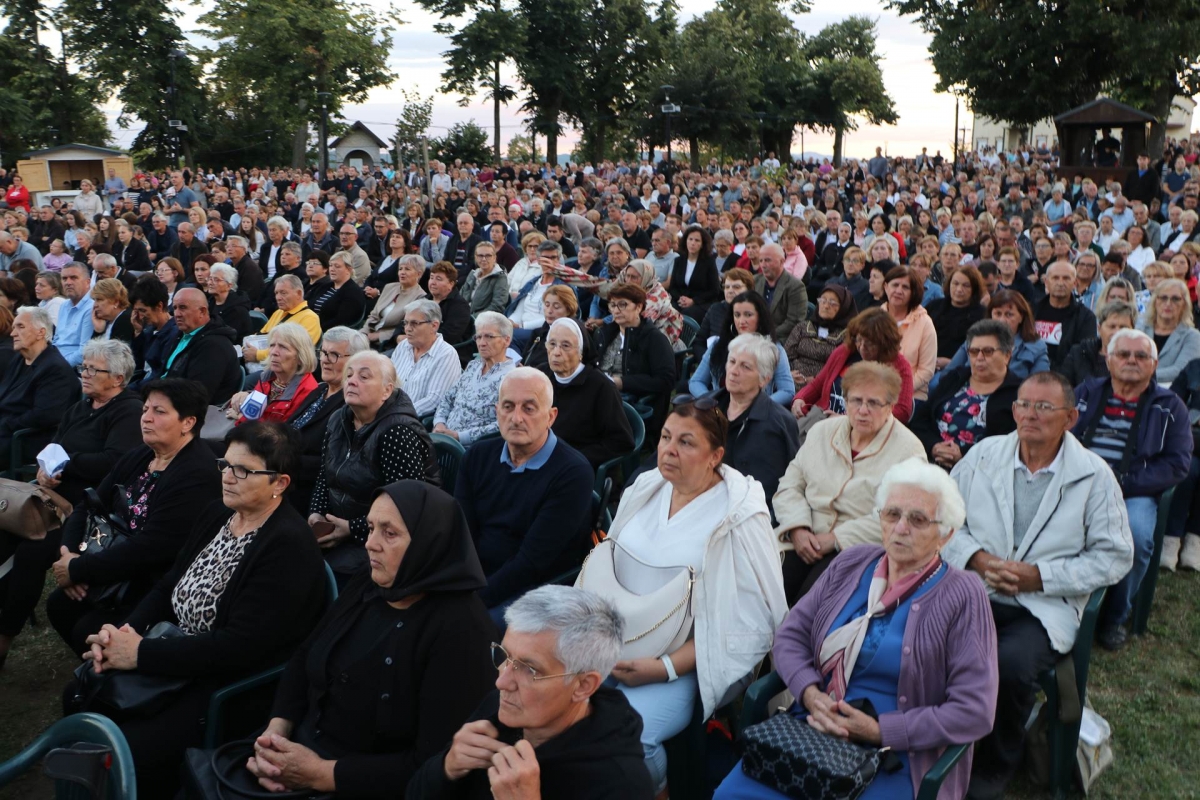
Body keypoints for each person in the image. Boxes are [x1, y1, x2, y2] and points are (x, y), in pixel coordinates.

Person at [69, 422, 327, 796]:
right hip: (173, 650)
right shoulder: (218, 514)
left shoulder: (288, 546)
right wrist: (124, 632)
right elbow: (168, 584)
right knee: (81, 693)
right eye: (225, 465)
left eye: (243, 470)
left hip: (226, 684)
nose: (228, 477)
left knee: (127, 740)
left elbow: (237, 648)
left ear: (280, 484)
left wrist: (140, 653)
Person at [716, 459, 998, 800]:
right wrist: (809, 693)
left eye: (918, 519)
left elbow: (975, 710)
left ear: (946, 534)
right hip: (813, 726)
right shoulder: (853, 562)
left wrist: (881, 731)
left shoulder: (963, 594)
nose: (900, 528)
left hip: (898, 753)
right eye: (892, 514)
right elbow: (791, 635)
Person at [217, 480, 496, 798]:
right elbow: (306, 653)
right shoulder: (372, 581)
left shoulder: (462, 633)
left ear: (429, 543)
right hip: (299, 747)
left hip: (362, 784)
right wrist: (276, 731)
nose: (370, 544)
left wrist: (321, 774)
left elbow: (435, 765)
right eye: (372, 527)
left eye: (389, 533)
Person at [944, 372, 1134, 799]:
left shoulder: (1094, 475)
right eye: (1024, 405)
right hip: (976, 587)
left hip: (1044, 606)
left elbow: (1116, 555)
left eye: (1044, 407)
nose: (1030, 414)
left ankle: (993, 763)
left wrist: (1040, 577)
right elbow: (944, 519)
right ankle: (933, 740)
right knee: (927, 638)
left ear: (1070, 417)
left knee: (1008, 666)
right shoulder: (984, 455)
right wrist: (978, 558)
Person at [584, 395, 787, 792]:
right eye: (664, 437)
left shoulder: (738, 517)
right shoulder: (647, 488)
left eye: (686, 442)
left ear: (716, 456)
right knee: (560, 706)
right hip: (614, 642)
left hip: (688, 661)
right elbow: (610, 571)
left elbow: (749, 620)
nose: (669, 450)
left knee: (630, 737)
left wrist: (664, 668)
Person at [405, 585, 655, 800]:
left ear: (583, 686)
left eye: (529, 669)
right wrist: (446, 768)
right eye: (504, 656)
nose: (502, 682)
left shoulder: (623, 785)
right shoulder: (499, 709)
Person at [46, 378, 221, 655]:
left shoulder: (196, 474)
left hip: (151, 584)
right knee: (59, 605)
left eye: (159, 412)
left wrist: (79, 570)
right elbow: (88, 504)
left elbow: (152, 548)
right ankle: (97, 674)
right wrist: (69, 554)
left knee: (86, 627)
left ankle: (107, 680)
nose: (146, 418)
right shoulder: (141, 454)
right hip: (110, 563)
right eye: (145, 409)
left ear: (188, 423)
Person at [0, 339, 140, 669]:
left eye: (93, 369)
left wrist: (66, 464)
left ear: (118, 379)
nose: (85, 374)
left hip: (89, 510)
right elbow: (53, 447)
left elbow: (113, 462)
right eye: (84, 367)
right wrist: (45, 470)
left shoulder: (128, 411)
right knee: (4, 535)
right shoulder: (81, 406)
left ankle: (4, 637)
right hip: (52, 497)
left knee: (31, 552)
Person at [1071, 329, 1191, 650]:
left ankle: (1113, 616)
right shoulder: (1086, 391)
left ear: (1154, 365)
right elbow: (1060, 435)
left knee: (1136, 538)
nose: (1131, 361)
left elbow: (1178, 463)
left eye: (1141, 356)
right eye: (1123, 355)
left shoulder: (1170, 405)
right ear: (1109, 361)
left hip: (1133, 491)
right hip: (1077, 483)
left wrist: (1123, 483)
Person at [776, 361, 927, 601]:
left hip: (858, 551)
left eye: (874, 403)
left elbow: (900, 517)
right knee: (765, 591)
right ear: (845, 401)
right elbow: (790, 485)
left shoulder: (909, 450)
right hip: (802, 537)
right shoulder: (821, 432)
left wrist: (836, 539)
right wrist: (796, 527)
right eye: (856, 400)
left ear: (890, 406)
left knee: (810, 603)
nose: (863, 410)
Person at [454, 368, 594, 621]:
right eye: (508, 407)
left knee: (461, 629)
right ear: (497, 411)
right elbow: (462, 531)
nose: (516, 418)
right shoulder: (477, 456)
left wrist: (472, 600)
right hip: (476, 575)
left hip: (536, 590)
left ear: (551, 417)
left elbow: (532, 563)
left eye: (529, 409)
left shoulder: (573, 472)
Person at [309, 351, 440, 584]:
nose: (352, 380)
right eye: (349, 375)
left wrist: (351, 528)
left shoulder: (397, 432)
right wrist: (316, 514)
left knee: (317, 576)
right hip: (340, 526)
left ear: (387, 390)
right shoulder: (338, 419)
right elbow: (324, 475)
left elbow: (403, 507)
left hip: (381, 538)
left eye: (364, 376)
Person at [709, 333, 800, 522]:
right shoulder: (704, 410)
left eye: (745, 367)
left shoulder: (779, 423)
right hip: (704, 504)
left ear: (764, 379)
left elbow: (792, 481)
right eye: (732, 361)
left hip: (753, 516)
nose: (733, 371)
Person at [910, 320, 1021, 470]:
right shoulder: (955, 378)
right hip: (931, 459)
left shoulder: (1018, 393)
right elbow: (920, 420)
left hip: (982, 471)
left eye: (988, 351)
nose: (979, 358)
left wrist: (963, 455)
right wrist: (934, 446)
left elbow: (1010, 443)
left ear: (1007, 355)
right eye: (974, 352)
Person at [285, 327, 369, 514]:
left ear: (357, 362)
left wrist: (281, 460)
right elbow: (288, 428)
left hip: (307, 490)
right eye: (323, 352)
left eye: (334, 355)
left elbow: (332, 465)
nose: (324, 360)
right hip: (284, 470)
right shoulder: (319, 390)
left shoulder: (351, 405)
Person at [539, 317, 634, 468]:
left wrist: (573, 459)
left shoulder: (601, 387)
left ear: (581, 352)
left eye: (565, 346)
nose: (556, 352)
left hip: (575, 465)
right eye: (552, 344)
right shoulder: (541, 375)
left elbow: (621, 441)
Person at [793, 307, 915, 423]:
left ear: (884, 344)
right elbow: (818, 384)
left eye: (869, 344)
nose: (862, 347)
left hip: (867, 431)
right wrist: (800, 398)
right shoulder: (844, 352)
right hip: (825, 420)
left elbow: (902, 412)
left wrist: (848, 419)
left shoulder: (900, 366)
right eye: (859, 340)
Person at [0, 306, 80, 464]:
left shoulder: (54, 368)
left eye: (20, 327)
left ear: (41, 332)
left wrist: (6, 424)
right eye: (14, 327)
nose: (13, 333)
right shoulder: (19, 359)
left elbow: (44, 416)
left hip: (25, 438)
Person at [595, 284, 677, 438]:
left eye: (623, 304)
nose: (616, 310)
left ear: (639, 307)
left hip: (630, 401)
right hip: (601, 391)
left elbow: (666, 380)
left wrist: (622, 382)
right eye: (612, 305)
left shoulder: (654, 339)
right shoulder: (606, 333)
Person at [689, 291, 795, 405]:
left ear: (760, 317)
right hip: (719, 409)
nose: (741, 321)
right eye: (737, 315)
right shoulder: (718, 345)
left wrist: (757, 407)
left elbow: (787, 390)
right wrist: (712, 401)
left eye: (748, 315)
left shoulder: (775, 350)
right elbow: (696, 381)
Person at [433, 312, 517, 445]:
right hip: (443, 439)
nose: (482, 343)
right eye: (478, 337)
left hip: (472, 448)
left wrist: (460, 436)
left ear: (506, 340)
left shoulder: (512, 378)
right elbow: (447, 399)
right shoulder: (473, 366)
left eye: (489, 337)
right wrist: (439, 423)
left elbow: (504, 423)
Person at [938, 289, 1051, 385]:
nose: (1002, 320)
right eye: (997, 314)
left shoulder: (1037, 347)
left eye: (1009, 314)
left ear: (1021, 317)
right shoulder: (974, 340)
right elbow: (947, 375)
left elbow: (1040, 385)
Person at [161, 288, 242, 406]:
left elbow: (196, 396)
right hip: (165, 399)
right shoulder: (182, 335)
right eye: (175, 308)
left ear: (202, 312)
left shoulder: (215, 346)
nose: (177, 314)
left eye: (183, 307)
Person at [228, 322, 319, 424]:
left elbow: (280, 433)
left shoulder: (307, 390)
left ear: (300, 356)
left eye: (283, 347)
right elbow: (250, 412)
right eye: (272, 345)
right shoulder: (268, 377)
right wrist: (244, 398)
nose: (273, 352)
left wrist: (242, 417)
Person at [389, 299, 463, 417]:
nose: (407, 328)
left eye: (414, 323)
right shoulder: (403, 346)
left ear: (434, 326)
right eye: (406, 323)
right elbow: (387, 380)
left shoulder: (446, 354)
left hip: (413, 420)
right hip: (388, 412)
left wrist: (397, 413)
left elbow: (434, 400)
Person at [783, 284, 856, 388]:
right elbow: (786, 356)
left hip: (824, 385)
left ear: (843, 307)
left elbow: (842, 368)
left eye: (832, 303)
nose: (826, 306)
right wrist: (789, 374)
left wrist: (815, 380)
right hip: (792, 380)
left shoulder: (847, 335)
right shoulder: (803, 327)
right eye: (823, 301)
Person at [883, 266, 937, 401]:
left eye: (905, 287)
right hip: (874, 391)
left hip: (911, 396)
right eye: (895, 285)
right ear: (885, 287)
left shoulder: (925, 323)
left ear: (913, 292)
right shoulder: (874, 318)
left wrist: (899, 391)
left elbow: (926, 371)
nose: (898, 291)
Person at [244, 275, 322, 364]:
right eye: (276, 293)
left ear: (299, 293)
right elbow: (259, 337)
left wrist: (258, 355)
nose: (278, 297)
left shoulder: (310, 318)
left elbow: (296, 351)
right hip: (268, 365)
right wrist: (247, 348)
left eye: (283, 293)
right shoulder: (278, 313)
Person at [1034, 261, 1098, 368]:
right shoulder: (1031, 311)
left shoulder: (1086, 317)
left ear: (1075, 283)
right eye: (1055, 278)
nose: (1060, 283)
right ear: (1046, 282)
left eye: (1066, 278)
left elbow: (1083, 356)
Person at [1060, 300, 1138, 387]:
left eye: (1123, 327)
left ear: (1133, 330)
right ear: (1099, 329)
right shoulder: (1079, 354)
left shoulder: (1142, 359)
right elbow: (1063, 390)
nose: (1117, 332)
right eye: (1112, 327)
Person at [1139, 278, 1200, 384]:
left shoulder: (1192, 336)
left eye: (1175, 299)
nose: (1168, 303)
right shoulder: (1140, 329)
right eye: (1163, 298)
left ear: (1184, 304)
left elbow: (1180, 370)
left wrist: (1140, 376)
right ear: (1155, 301)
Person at [927, 264, 986, 368]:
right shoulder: (934, 306)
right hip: (927, 363)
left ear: (974, 289)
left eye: (966, 285)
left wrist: (950, 363)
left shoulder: (982, 314)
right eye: (955, 283)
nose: (959, 289)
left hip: (960, 369)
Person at [363, 254, 428, 348]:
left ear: (419, 274)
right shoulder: (389, 287)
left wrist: (378, 336)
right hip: (369, 334)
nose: (402, 272)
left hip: (388, 343)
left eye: (407, 269)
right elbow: (374, 315)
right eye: (400, 269)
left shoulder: (420, 297)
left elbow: (403, 328)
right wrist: (364, 333)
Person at [754, 242, 808, 342]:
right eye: (761, 261)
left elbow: (794, 321)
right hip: (754, 335)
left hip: (780, 339)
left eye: (768, 260)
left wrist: (767, 336)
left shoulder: (795, 286)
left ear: (782, 261)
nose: (763, 265)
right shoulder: (755, 281)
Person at [669, 225, 721, 322]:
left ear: (702, 244)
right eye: (690, 239)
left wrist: (693, 301)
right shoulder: (679, 260)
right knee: (668, 311)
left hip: (701, 303)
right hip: (680, 301)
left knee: (686, 316)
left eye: (697, 240)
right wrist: (680, 298)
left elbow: (714, 290)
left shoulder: (709, 262)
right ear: (685, 241)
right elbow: (673, 287)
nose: (692, 243)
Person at [51, 262, 95, 367]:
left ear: (87, 282)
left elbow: (84, 352)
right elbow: (57, 340)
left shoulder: (92, 307)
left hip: (71, 368)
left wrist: (58, 366)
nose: (68, 282)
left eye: (74, 278)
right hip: (55, 361)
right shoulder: (64, 305)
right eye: (64, 278)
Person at [317, 251, 368, 330]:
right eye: (330, 265)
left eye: (337, 266)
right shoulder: (324, 286)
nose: (332, 269)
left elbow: (342, 321)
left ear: (348, 270)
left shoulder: (353, 292)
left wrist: (316, 329)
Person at [206, 263, 254, 340]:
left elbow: (230, 337)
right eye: (210, 279)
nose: (210, 283)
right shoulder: (209, 303)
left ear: (229, 285)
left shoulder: (238, 310)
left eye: (216, 279)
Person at [461, 242, 510, 315]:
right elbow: (460, 296)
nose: (484, 259)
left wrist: (471, 318)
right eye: (480, 255)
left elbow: (497, 306)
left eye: (488, 256)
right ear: (476, 257)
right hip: (463, 315)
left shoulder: (500, 278)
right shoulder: (473, 274)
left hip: (482, 319)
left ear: (494, 258)